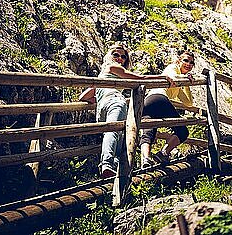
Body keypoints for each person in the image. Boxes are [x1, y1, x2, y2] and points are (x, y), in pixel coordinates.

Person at [79, 43, 175, 179]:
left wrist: (100, 98)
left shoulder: (102, 76)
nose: (119, 58)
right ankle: (107, 164)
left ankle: (113, 167)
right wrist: (162, 77)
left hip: (102, 109)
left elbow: (83, 96)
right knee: (113, 132)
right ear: (109, 56)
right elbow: (140, 79)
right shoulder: (113, 67)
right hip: (115, 103)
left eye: (123, 57)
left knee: (115, 134)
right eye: (116, 55)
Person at [140, 51, 196, 168]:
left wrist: (186, 83)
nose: (188, 64)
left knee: (149, 131)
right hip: (159, 98)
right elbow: (173, 77)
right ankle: (163, 153)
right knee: (182, 131)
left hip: (148, 101)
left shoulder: (179, 82)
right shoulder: (173, 67)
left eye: (191, 62)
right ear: (178, 61)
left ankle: (145, 159)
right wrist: (185, 78)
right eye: (185, 60)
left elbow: (188, 103)